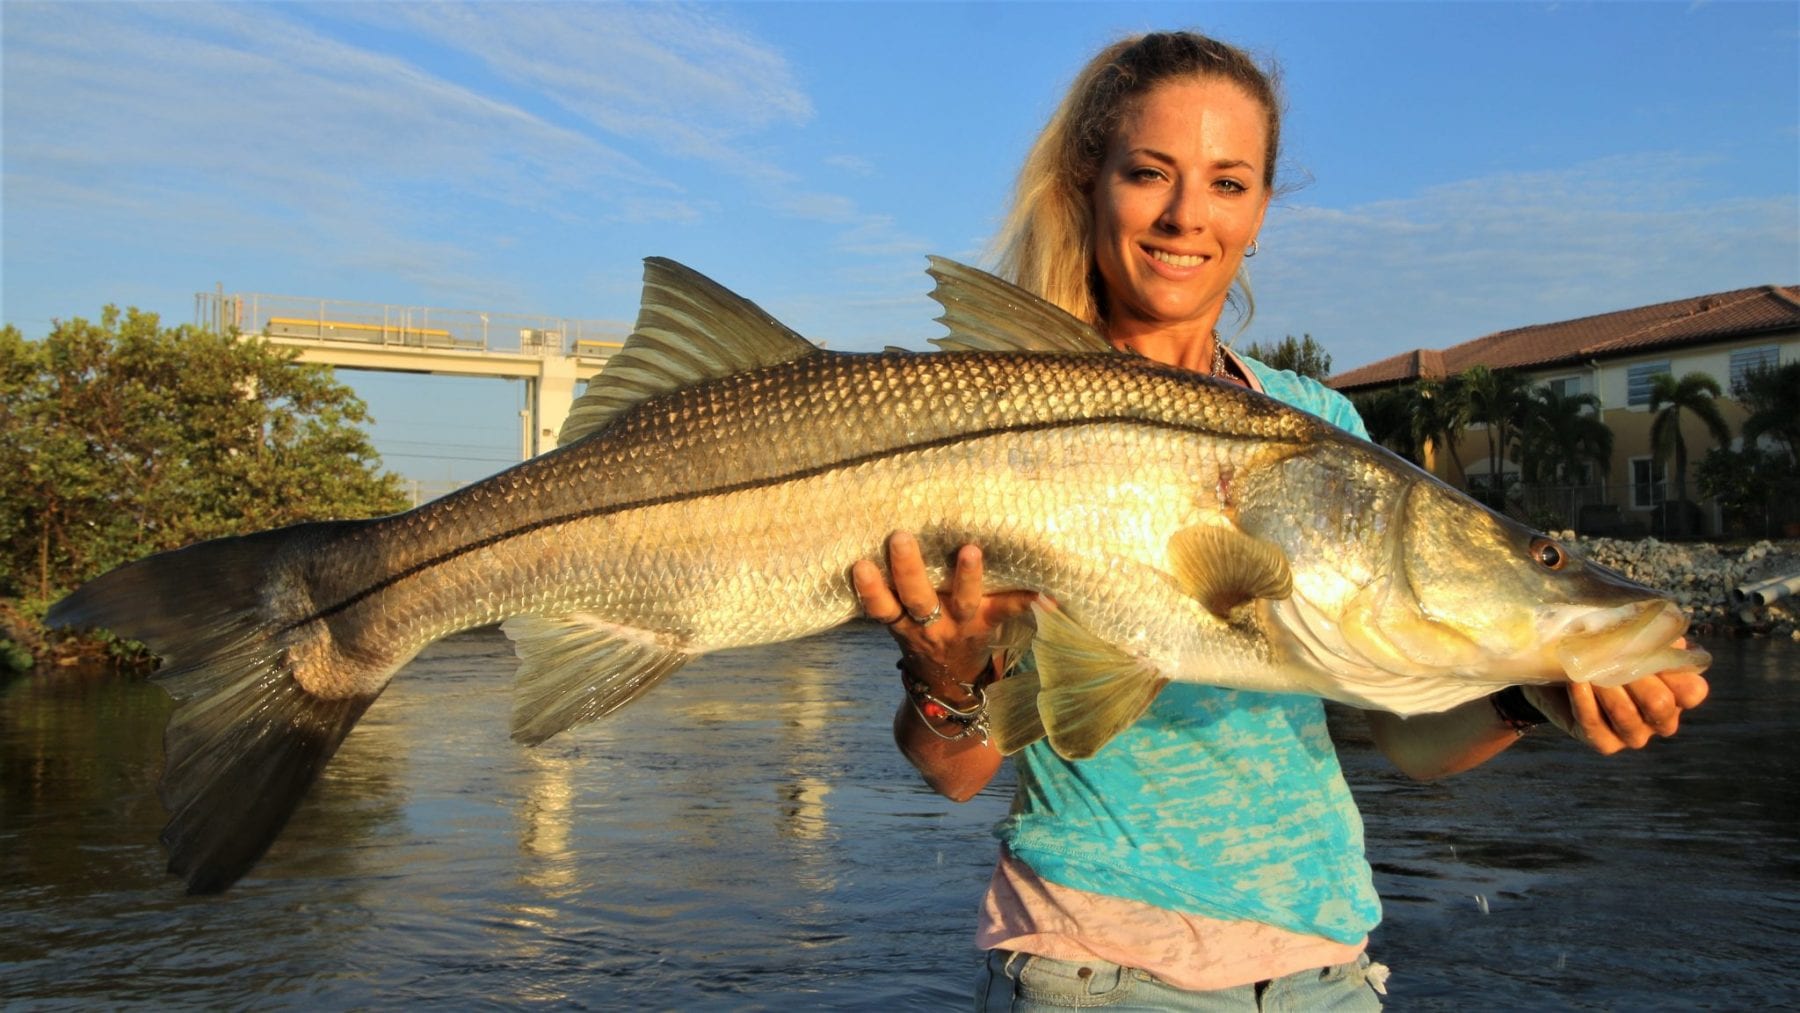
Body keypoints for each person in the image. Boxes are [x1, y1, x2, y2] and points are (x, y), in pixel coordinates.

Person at [848, 30, 1711, 1011]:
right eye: (1149, 172)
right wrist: (947, 675)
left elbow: (1407, 739)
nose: (1185, 215)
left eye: (1228, 182)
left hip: (1325, 970)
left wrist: (1531, 694)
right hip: (1097, 969)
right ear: (1091, 183)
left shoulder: (1320, 423)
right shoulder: (998, 412)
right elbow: (958, 771)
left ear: (1261, 210)